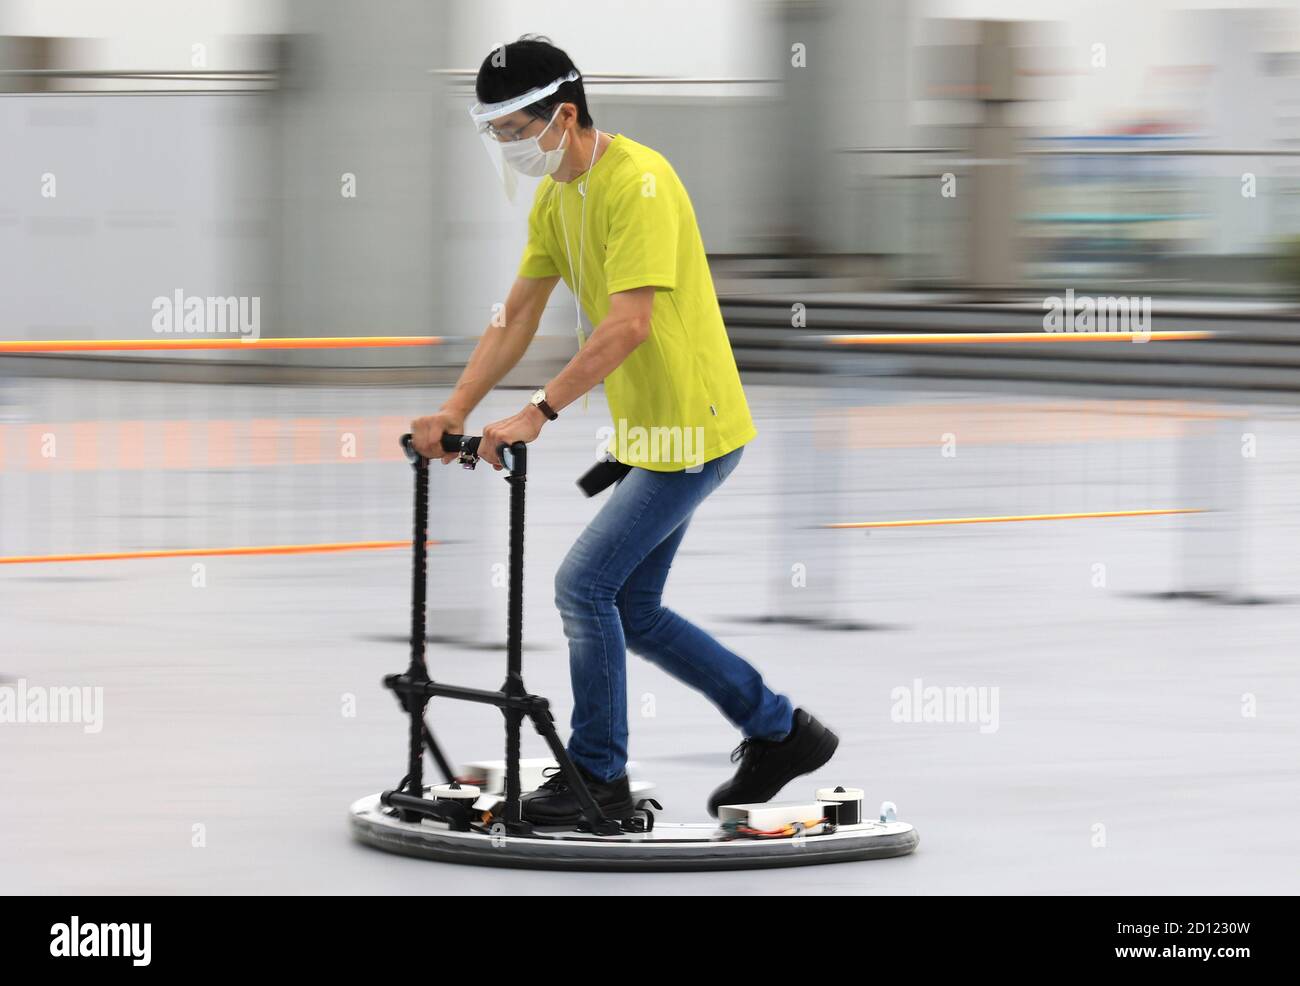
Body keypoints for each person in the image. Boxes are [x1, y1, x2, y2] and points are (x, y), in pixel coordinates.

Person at [411, 36, 837, 826]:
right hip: (649, 434)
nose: (506, 146)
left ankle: (599, 775)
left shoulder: (637, 182)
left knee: (584, 586)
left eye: (514, 128)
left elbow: (629, 326)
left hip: (694, 428)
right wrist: (456, 410)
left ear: (562, 115)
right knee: (633, 608)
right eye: (494, 131)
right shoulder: (556, 199)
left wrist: (537, 411)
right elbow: (516, 317)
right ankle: (783, 732)